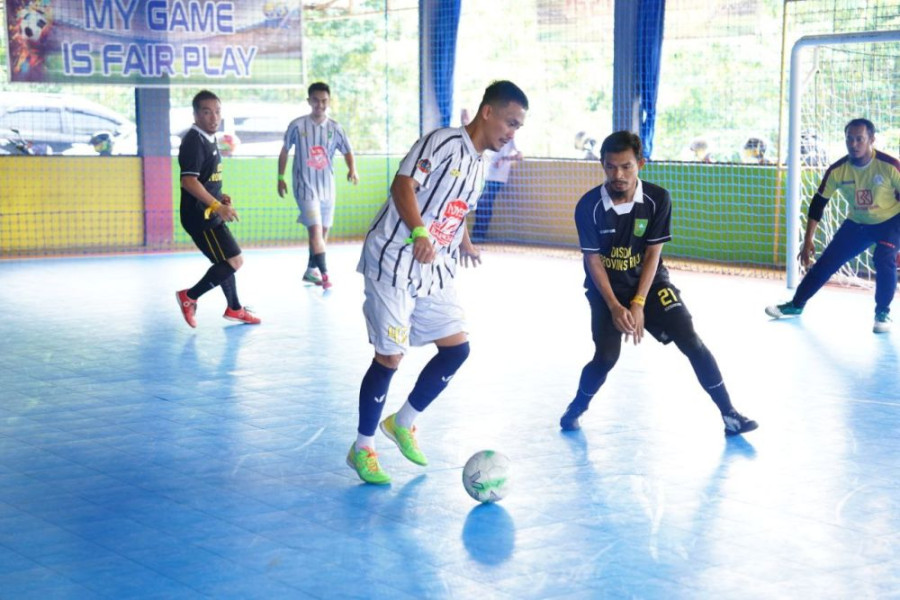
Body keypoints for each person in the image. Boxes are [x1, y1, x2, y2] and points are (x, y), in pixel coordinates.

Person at [348, 80, 529, 484]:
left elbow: (456, 208)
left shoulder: (480, 165)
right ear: (488, 112)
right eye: (511, 123)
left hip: (435, 265)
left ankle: (403, 421)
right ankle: (362, 447)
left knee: (456, 348)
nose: (512, 133)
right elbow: (403, 185)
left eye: (518, 127)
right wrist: (419, 233)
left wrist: (464, 242)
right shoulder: (443, 142)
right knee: (390, 357)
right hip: (395, 257)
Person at [560, 130, 757, 436]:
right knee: (606, 357)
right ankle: (576, 408)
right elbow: (593, 260)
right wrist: (615, 306)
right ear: (602, 164)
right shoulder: (589, 206)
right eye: (611, 166)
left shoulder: (657, 199)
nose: (618, 174)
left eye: (626, 166)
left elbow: (653, 255)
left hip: (650, 285)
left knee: (690, 338)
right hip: (606, 292)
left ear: (641, 163)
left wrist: (638, 304)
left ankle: (730, 414)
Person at [766, 118, 900, 333]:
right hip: (858, 223)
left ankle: (882, 313)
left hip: (891, 221)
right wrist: (808, 239)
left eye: (860, 139)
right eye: (849, 139)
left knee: (884, 258)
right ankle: (796, 304)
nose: (853, 144)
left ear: (872, 140)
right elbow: (819, 203)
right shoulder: (838, 170)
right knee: (827, 262)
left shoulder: (889, 165)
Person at [175, 90, 260, 328]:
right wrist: (215, 205)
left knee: (223, 265)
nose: (214, 117)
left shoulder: (209, 137)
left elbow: (203, 178)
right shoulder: (193, 141)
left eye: (217, 111)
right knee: (234, 261)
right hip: (201, 216)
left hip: (210, 210)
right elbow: (188, 181)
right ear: (195, 114)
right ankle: (189, 297)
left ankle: (235, 309)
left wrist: (219, 196)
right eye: (207, 112)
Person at [278, 82, 358, 290]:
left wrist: (352, 169)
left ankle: (310, 270)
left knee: (322, 234)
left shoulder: (335, 128)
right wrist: (280, 177)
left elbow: (348, 151)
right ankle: (325, 274)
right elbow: (285, 151)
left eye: (324, 100)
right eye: (315, 100)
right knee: (315, 233)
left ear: (328, 102)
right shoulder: (297, 125)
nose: (320, 104)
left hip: (327, 189)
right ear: (309, 101)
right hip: (305, 187)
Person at [471, 138, 523, 243]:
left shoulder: (512, 137)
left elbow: (520, 156)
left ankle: (479, 235)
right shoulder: (492, 134)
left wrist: (504, 159)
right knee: (479, 204)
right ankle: (476, 235)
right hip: (485, 175)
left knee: (485, 203)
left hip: (498, 177)